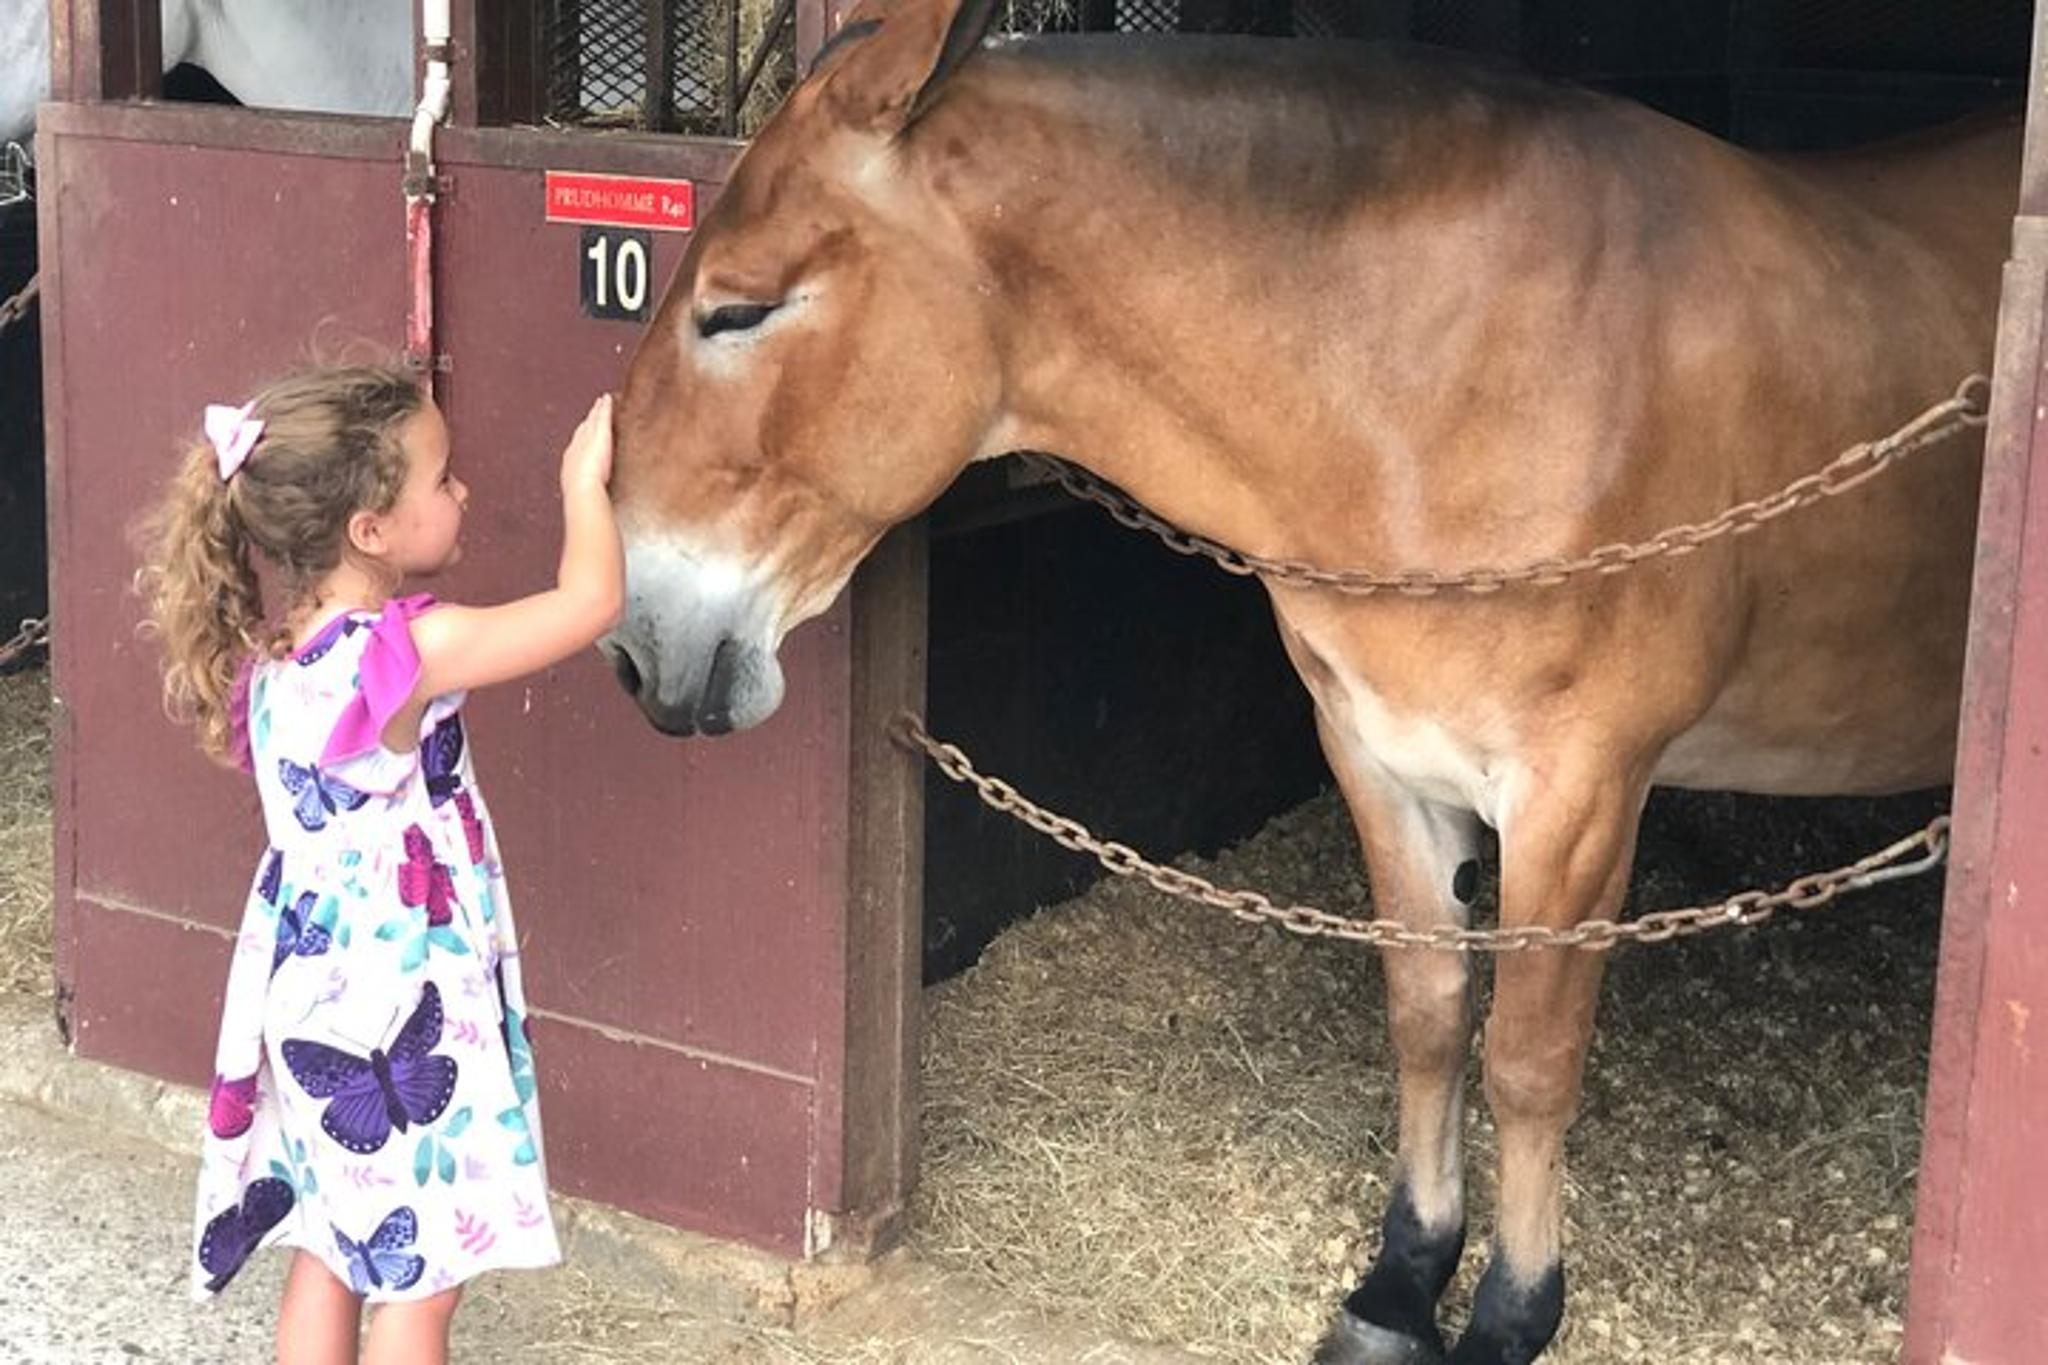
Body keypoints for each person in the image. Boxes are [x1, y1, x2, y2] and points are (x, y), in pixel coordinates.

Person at [135, 364, 623, 1364]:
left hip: (304, 989)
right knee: (419, 1282)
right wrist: (584, 485)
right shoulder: (410, 652)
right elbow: (588, 605)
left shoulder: (273, 666)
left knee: (330, 1239)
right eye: (440, 482)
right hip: (398, 998)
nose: (461, 494)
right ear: (369, 529)